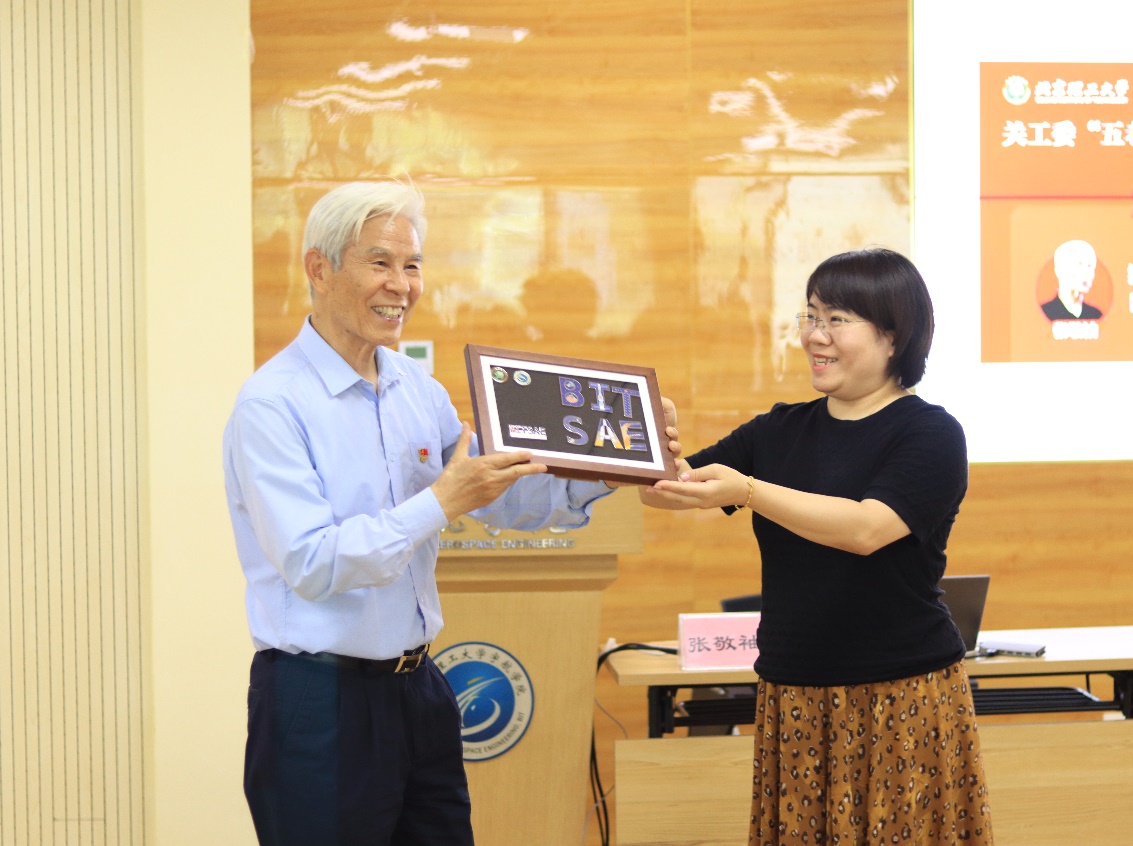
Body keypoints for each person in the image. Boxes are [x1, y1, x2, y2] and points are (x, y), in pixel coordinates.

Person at [223, 181, 629, 846]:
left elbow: (496, 494)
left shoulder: (416, 388)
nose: (402, 285)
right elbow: (313, 562)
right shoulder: (272, 405)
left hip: (420, 691)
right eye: (380, 263)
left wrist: (609, 466)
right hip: (318, 699)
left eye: (412, 265)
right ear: (319, 268)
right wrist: (440, 502)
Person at [642, 248, 993, 845]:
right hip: (794, 692)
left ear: (893, 336)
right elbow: (666, 492)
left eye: (837, 319)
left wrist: (749, 490)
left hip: (901, 694)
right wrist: (645, 439)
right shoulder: (778, 429)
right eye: (810, 316)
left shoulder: (931, 433)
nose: (814, 335)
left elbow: (865, 529)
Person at [1041, 238, 1103, 320]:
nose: (1086, 273)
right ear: (1060, 270)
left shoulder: (1095, 316)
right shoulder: (1045, 313)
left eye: (1090, 266)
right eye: (1079, 265)